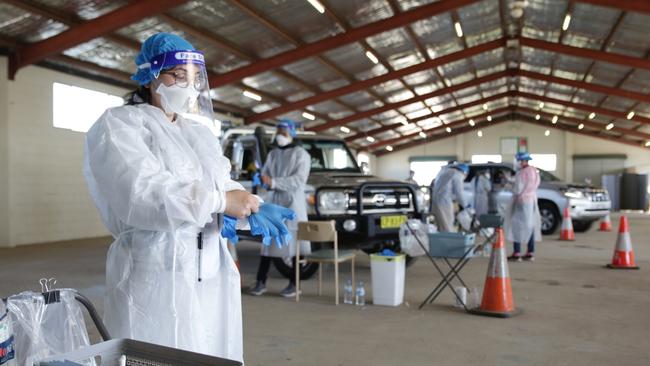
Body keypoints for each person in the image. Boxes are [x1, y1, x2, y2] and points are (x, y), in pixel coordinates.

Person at [83, 33, 258, 362]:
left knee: (207, 350)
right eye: (177, 76)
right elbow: (142, 194)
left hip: (209, 272)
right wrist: (220, 201)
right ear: (150, 76)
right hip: (154, 272)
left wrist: (251, 204)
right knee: (157, 353)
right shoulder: (120, 126)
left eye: (192, 79)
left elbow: (221, 181)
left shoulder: (197, 133)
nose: (187, 87)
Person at [250, 120, 311, 297]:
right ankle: (260, 282)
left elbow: (299, 180)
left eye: (283, 131)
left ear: (292, 132)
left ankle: (294, 283)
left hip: (293, 204)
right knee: (268, 243)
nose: (279, 135)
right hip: (275, 203)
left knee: (294, 246)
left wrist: (274, 182)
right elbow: (266, 175)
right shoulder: (274, 154)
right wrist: (263, 181)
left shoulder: (301, 154)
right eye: (278, 131)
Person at [505, 152, 542, 262]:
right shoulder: (534, 171)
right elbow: (534, 185)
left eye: (518, 161)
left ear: (522, 161)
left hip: (522, 201)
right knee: (530, 225)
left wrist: (508, 186)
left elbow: (518, 189)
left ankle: (517, 253)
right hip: (532, 200)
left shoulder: (521, 173)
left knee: (517, 226)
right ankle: (530, 252)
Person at [430, 163, 469, 232]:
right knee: (447, 224)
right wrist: (466, 205)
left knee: (439, 224)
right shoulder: (458, 175)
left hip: (435, 201)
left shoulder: (444, 171)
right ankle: (447, 241)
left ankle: (439, 240)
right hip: (444, 202)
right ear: (464, 172)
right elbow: (459, 192)